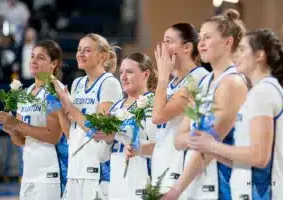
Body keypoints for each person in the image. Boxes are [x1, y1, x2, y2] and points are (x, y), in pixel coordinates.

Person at [186, 29, 283, 200]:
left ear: (259, 55)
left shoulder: (263, 92)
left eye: (242, 50)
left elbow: (260, 157)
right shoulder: (258, 92)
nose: (236, 55)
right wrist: (209, 149)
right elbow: (246, 159)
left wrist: (213, 145)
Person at [162, 9, 248, 200]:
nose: (200, 44)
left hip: (223, 185)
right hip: (197, 181)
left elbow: (210, 146)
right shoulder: (203, 82)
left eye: (207, 38)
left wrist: (176, 189)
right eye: (200, 38)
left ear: (228, 42)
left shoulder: (232, 83)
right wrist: (199, 140)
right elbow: (178, 140)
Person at [126, 23, 208, 199]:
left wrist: (162, 76)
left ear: (187, 47)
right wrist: (140, 148)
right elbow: (166, 137)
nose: (163, 48)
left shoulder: (198, 78)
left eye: (169, 41)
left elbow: (158, 117)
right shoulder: (171, 85)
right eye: (163, 41)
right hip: (161, 173)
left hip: (180, 176)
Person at [0, 40, 67, 200]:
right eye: (32, 56)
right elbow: (21, 140)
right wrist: (10, 128)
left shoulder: (55, 90)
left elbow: (53, 136)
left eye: (40, 57)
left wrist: (16, 124)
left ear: (53, 63)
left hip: (50, 173)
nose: (33, 61)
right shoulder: (26, 93)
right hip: (29, 172)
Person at [55, 33, 123, 200]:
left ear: (103, 56)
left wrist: (69, 105)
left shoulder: (109, 83)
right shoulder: (78, 83)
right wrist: (58, 105)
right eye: (79, 50)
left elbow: (97, 130)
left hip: (97, 171)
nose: (80, 54)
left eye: (87, 50)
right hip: (75, 168)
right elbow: (71, 133)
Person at [92, 52, 158, 200]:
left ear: (145, 74)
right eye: (121, 72)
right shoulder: (116, 106)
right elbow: (101, 156)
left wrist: (117, 134)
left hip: (141, 181)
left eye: (129, 72)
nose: (123, 77)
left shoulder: (151, 103)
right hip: (116, 183)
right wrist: (106, 138)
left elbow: (158, 147)